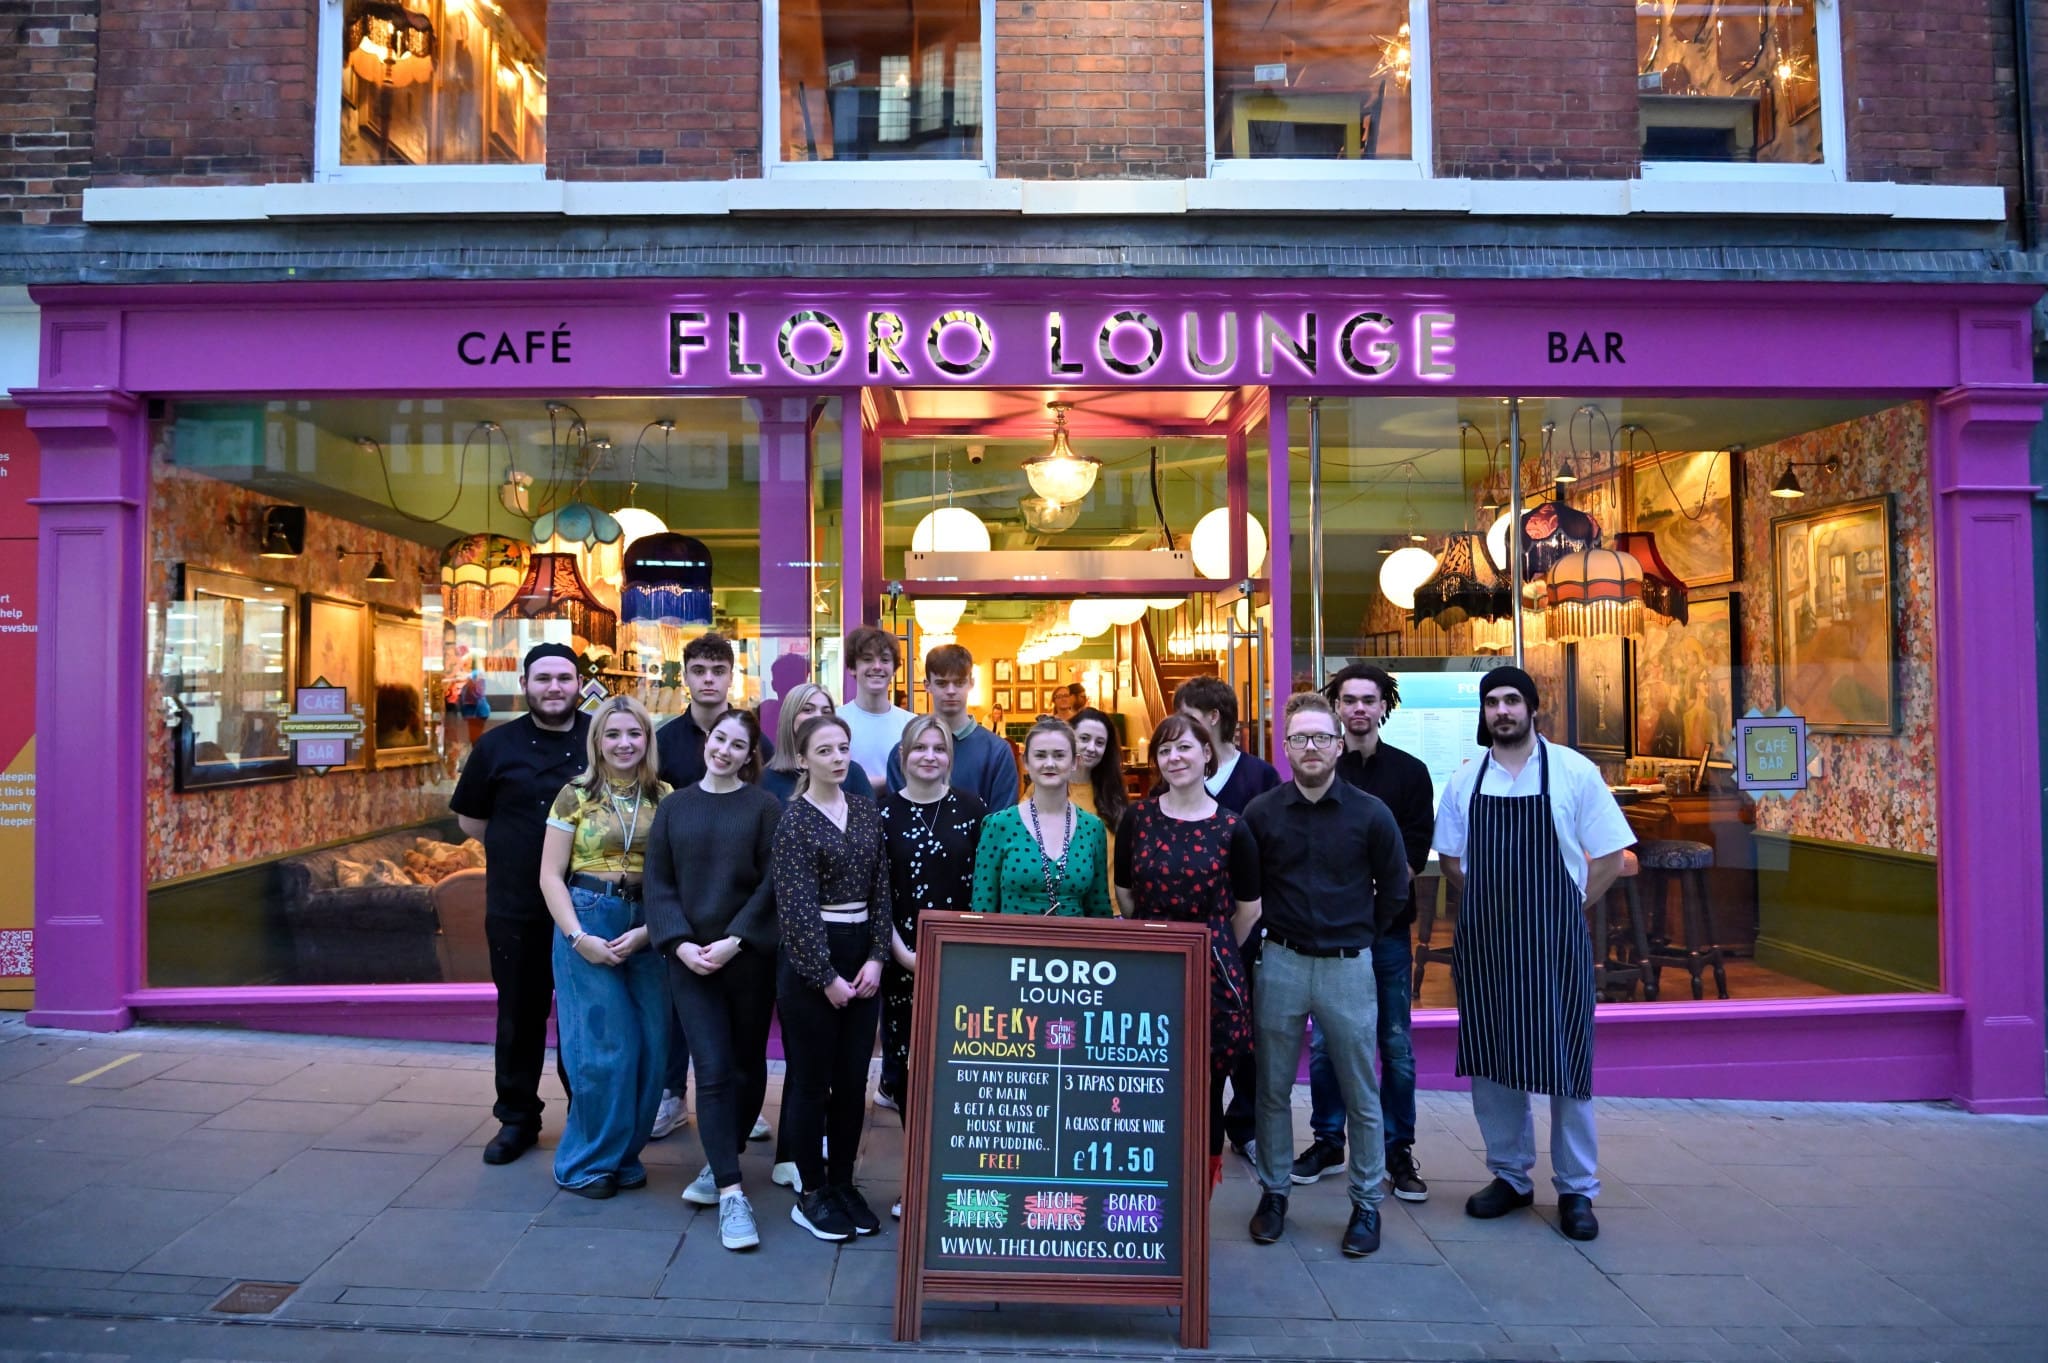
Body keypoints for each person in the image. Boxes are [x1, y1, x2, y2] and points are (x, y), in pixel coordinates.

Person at [1433, 666, 1635, 1244]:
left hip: (1555, 942)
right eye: (1492, 702)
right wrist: (1495, 908)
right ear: (1484, 713)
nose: (1502, 711)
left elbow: (1610, 857)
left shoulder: (1573, 772)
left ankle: (1576, 1188)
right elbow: (1451, 861)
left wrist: (1567, 905)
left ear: (1532, 709)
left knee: (1567, 1063)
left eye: (1512, 701)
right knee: (1493, 1061)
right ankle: (1509, 1176)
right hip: (1488, 946)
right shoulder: (1466, 779)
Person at [1241, 692, 1410, 1258]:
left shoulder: (1371, 814)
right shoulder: (1261, 813)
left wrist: (1360, 935)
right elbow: (1247, 890)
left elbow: (1395, 890)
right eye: (1299, 738)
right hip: (1281, 963)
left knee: (1361, 1091)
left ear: (1338, 746)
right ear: (1285, 748)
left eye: (1320, 737)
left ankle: (1366, 1204)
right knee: (1272, 1089)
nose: (1309, 747)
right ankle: (1274, 1193)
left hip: (1347, 966)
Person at [1294, 664, 1435, 1202]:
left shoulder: (1411, 773)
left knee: (1395, 1044)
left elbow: (1412, 853)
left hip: (1388, 931)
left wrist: (1364, 887)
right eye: (1348, 700)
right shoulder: (1319, 768)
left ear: (1383, 706)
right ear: (1335, 707)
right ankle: (1328, 1141)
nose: (1357, 708)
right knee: (1326, 1044)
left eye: (1367, 700)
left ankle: (1399, 1150)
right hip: (1329, 935)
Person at [644, 707, 781, 1251]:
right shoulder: (674, 806)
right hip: (690, 962)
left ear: (750, 756)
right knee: (713, 1069)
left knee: (747, 1067)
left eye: (737, 745)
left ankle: (723, 1153)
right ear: (707, 741)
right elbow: (659, 884)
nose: (724, 750)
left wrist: (735, 940)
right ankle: (730, 1191)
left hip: (745, 959)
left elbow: (771, 885)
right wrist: (679, 943)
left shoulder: (763, 808)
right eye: (719, 739)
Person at [451, 643, 591, 1167]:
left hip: (588, 906)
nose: (554, 688)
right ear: (525, 684)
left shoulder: (601, 738)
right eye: (543, 678)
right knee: (518, 1013)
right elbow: (471, 820)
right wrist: (522, 849)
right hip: (516, 904)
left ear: (579, 685)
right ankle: (517, 1119)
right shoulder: (496, 746)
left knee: (585, 1015)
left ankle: (588, 1117)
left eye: (564, 678)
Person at [1114, 713, 1261, 1191]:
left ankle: (1197, 1195)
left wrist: (1210, 946)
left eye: (1184, 748)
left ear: (1206, 754)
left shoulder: (1233, 827)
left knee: (1205, 1089)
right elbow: (1126, 895)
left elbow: (1248, 910)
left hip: (1212, 976)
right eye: (1164, 750)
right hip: (1149, 972)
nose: (1174, 758)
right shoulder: (1138, 818)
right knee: (1146, 1084)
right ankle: (1148, 1186)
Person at [536, 694, 673, 1199]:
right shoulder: (574, 795)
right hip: (588, 917)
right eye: (612, 734)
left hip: (647, 925)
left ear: (647, 739)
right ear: (598, 741)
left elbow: (675, 875)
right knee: (602, 1049)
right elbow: (550, 876)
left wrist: (651, 931)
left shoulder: (665, 796)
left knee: (652, 1049)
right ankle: (585, 1164)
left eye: (634, 733)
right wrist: (578, 938)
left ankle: (623, 1156)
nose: (624, 743)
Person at [771, 713, 893, 1242]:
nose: (838, 758)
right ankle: (812, 1191)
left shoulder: (865, 811)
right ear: (803, 759)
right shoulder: (794, 820)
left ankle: (843, 1182)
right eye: (824, 750)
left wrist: (876, 958)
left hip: (862, 955)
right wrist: (825, 976)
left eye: (843, 748)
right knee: (810, 1081)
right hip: (811, 962)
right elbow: (795, 907)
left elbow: (882, 889)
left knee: (851, 1081)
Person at [875, 713, 988, 1213]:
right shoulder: (881, 813)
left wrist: (965, 948)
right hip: (902, 961)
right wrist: (900, 951)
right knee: (907, 1072)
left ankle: (954, 1175)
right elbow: (875, 891)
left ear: (950, 757)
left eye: (938, 748)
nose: (929, 756)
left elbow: (983, 886)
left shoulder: (973, 809)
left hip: (962, 963)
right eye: (919, 748)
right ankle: (918, 1178)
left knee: (957, 1071)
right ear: (903, 756)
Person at [1173, 675, 1281, 1161]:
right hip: (1184, 931)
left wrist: (1237, 936)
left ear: (1212, 718)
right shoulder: (1178, 769)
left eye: (1186, 716)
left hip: (1243, 928)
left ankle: (1247, 1127)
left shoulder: (1259, 777)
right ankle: (1194, 1127)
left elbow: (1270, 852)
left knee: (1245, 1036)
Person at [650, 632, 752, 1144]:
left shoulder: (751, 737)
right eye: (699, 670)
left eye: (718, 670)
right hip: (679, 895)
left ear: (731, 676)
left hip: (734, 899)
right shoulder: (663, 742)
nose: (709, 680)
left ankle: (738, 1101)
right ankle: (672, 1095)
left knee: (734, 1015)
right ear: (686, 675)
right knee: (675, 1008)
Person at [970, 718, 1114, 918]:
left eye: (1059, 755)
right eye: (1040, 755)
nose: (1049, 763)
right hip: (1014, 937)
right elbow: (982, 910)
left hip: (1075, 938)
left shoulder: (1092, 827)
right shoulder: (999, 825)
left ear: (1074, 762)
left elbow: (1099, 909)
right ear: (1026, 762)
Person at [886, 643, 1020, 812]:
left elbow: (1002, 821)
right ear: (927, 685)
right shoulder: (904, 752)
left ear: (971, 683)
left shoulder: (997, 751)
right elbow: (897, 815)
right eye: (942, 683)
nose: (951, 691)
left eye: (959, 682)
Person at [1173, 676, 1282, 814]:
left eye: (1188, 717)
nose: (1180, 724)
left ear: (1214, 716)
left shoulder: (1262, 776)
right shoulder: (1176, 771)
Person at [761, 681, 875, 805]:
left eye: (826, 712)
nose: (818, 717)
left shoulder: (851, 772)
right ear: (790, 717)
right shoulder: (766, 780)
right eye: (808, 710)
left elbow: (871, 814)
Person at [840, 625, 913, 796]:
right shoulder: (834, 721)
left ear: (894, 669)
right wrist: (891, 781)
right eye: (867, 659)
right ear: (852, 667)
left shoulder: (911, 725)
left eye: (885, 660)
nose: (877, 666)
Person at [1068, 707, 1129, 908]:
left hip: (1111, 908)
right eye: (1084, 738)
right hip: (1066, 908)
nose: (1091, 748)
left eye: (1100, 742)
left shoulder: (1113, 794)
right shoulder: (1046, 790)